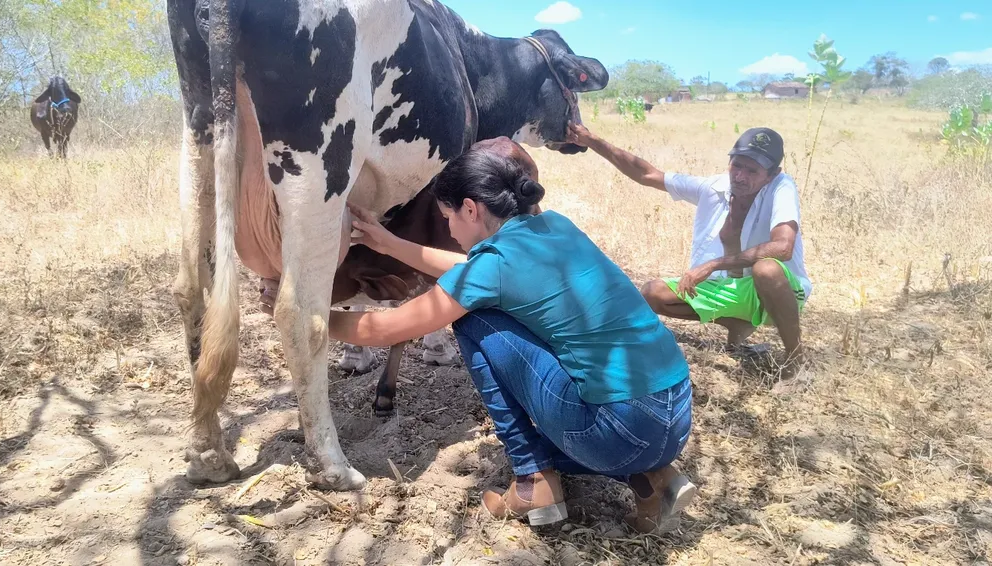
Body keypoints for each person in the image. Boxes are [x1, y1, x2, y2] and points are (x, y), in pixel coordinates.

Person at [328, 137, 697, 533]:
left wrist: (307, 318)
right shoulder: (555, 226)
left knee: (473, 320)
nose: (449, 229)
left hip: (619, 430)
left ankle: (532, 478)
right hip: (675, 418)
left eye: (448, 216)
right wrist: (389, 244)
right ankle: (652, 476)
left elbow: (384, 329)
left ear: (471, 208)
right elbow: (471, 269)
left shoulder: (493, 269)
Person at [565, 123, 812, 393]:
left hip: (780, 290)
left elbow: (783, 247)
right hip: (733, 288)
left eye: (752, 171)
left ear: (772, 174)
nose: (740, 176)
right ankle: (737, 323)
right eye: (736, 165)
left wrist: (713, 264)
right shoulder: (713, 188)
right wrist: (591, 141)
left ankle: (795, 361)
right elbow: (647, 174)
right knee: (653, 293)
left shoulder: (781, 187)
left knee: (766, 269)